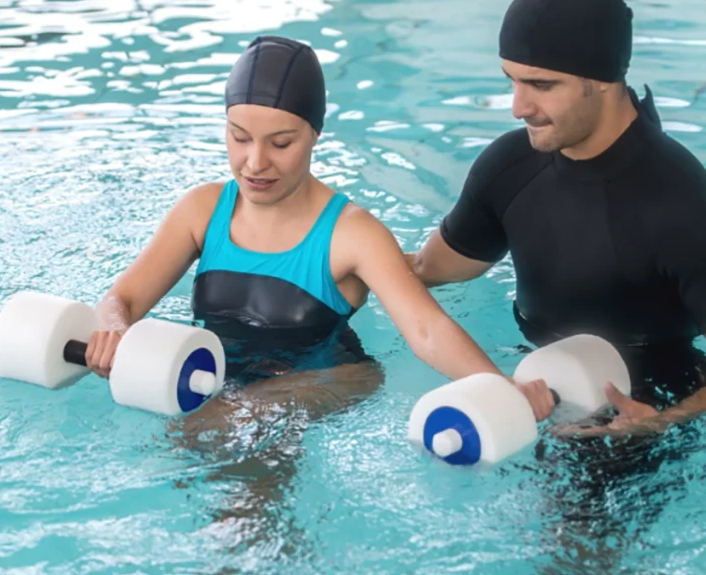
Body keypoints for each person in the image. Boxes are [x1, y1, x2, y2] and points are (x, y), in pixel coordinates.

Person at [83, 35, 552, 424]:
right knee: (197, 444)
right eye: (239, 137)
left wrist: (499, 385)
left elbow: (426, 330)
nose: (255, 162)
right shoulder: (202, 210)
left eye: (281, 143)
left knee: (226, 425)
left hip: (330, 380)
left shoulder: (352, 233)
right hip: (219, 382)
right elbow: (119, 300)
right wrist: (115, 333)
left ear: (314, 135)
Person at [408, 0, 706, 439]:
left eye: (541, 85)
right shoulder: (509, 167)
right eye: (512, 81)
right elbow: (426, 269)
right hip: (530, 379)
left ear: (603, 79)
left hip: (646, 402)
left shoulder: (683, 203)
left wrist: (665, 422)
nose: (518, 107)